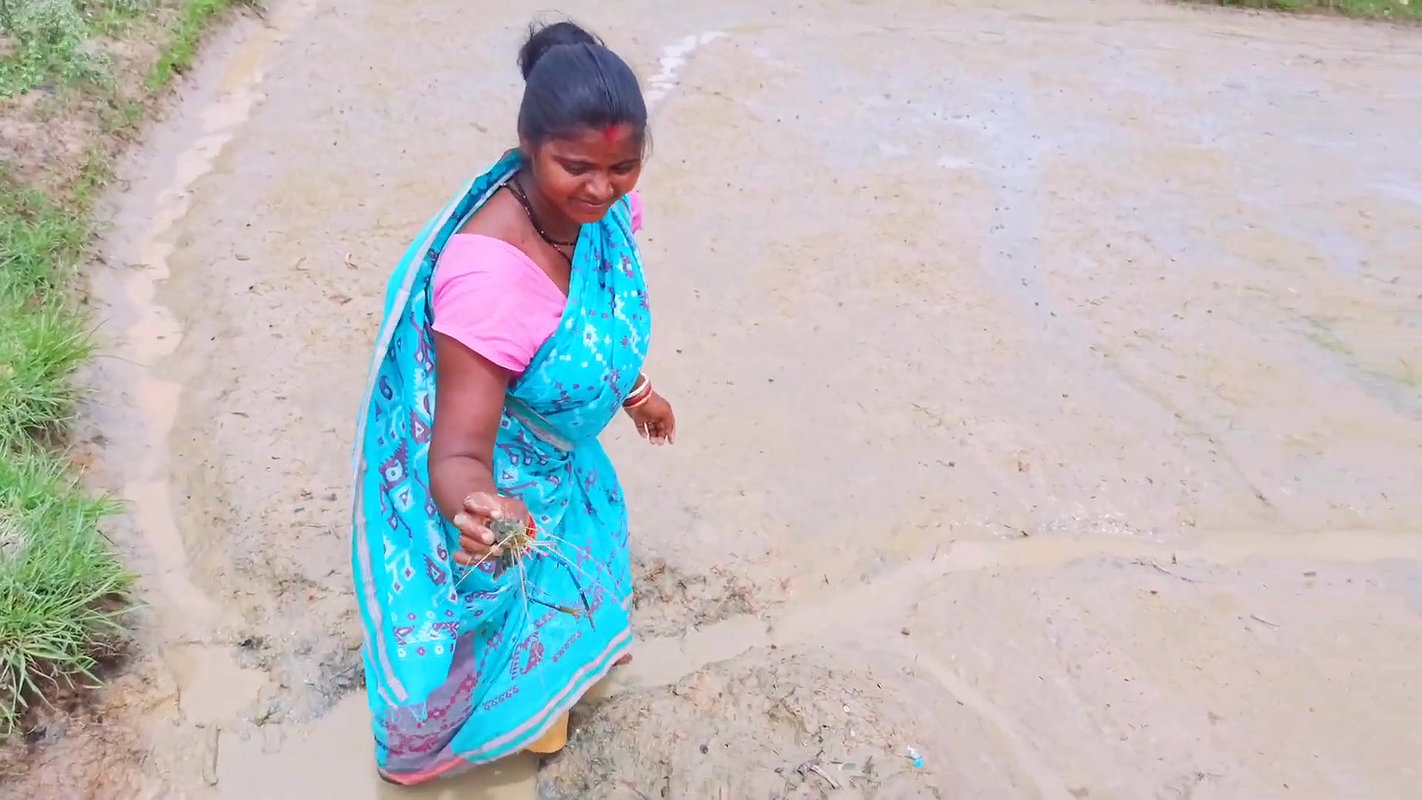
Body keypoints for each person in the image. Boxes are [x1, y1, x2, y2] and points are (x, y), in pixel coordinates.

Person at [349, 20, 676, 785]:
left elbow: (597, 324)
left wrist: (637, 393)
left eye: (624, 167)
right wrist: (482, 510)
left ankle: (553, 704)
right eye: (578, 168)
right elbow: (459, 451)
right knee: (500, 623)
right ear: (526, 145)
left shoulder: (600, 217)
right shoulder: (490, 281)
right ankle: (522, 740)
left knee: (578, 589)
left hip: (566, 457)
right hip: (507, 479)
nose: (602, 189)